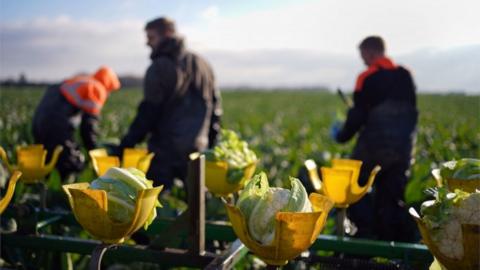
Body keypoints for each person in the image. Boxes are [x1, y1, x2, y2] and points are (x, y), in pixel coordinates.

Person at [117, 17, 222, 190]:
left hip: (163, 152)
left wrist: (126, 145)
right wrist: (211, 144)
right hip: (198, 150)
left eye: (151, 38)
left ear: (167, 34)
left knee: (157, 206)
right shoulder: (203, 64)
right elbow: (216, 109)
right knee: (197, 206)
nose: (147, 43)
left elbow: (148, 113)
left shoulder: (159, 67)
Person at [331, 36, 418, 242]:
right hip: (403, 150)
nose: (362, 60)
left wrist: (341, 136)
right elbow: (411, 111)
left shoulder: (366, 77)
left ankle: (362, 239)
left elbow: (357, 116)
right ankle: (392, 249)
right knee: (391, 200)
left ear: (370, 52)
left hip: (373, 149)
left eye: (363, 55)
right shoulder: (406, 75)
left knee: (355, 191)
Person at [32, 66, 121, 180]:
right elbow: (88, 127)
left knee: (49, 160)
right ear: (108, 84)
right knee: (69, 165)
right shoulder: (97, 89)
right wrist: (94, 152)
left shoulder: (83, 80)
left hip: (40, 119)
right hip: (55, 121)